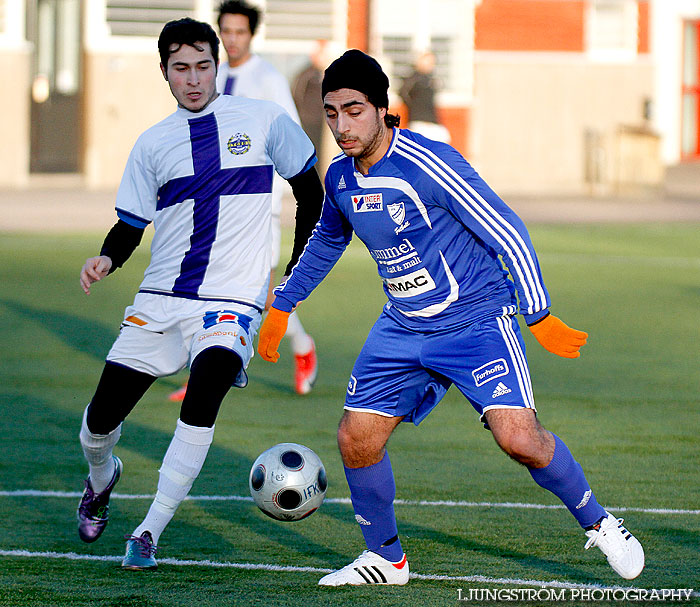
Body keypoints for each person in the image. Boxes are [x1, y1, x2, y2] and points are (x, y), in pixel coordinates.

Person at [257, 50, 644, 586]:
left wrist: (539, 314)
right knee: (356, 438)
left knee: (520, 440)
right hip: (403, 325)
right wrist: (284, 303)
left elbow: (504, 228)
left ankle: (600, 524)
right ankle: (385, 559)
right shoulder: (341, 178)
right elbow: (327, 239)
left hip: (476, 320)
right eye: (331, 113)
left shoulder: (430, 163)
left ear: (381, 108)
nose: (342, 126)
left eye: (353, 110)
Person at [76, 18, 323, 571]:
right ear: (164, 72)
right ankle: (101, 478)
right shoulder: (152, 143)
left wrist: (297, 267)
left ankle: (148, 530)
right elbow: (130, 224)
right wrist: (107, 258)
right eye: (181, 68)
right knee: (98, 425)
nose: (193, 79)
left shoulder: (263, 120)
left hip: (233, 300)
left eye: (203, 66)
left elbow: (311, 190)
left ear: (220, 64)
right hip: (161, 297)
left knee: (206, 387)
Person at [204, 0, 317, 396]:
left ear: (252, 34)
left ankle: (294, 348)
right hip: (216, 202)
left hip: (258, 203)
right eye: (226, 32)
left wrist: (277, 191)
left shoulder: (267, 79)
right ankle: (206, 365)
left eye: (240, 32)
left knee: (258, 288)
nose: (232, 40)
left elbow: (286, 136)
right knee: (213, 281)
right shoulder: (212, 76)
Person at [399, 50, 450, 143]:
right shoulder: (413, 78)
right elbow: (403, 94)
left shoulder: (432, 79)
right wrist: (414, 108)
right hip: (418, 120)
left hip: (432, 121)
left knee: (443, 140)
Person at [292, 40, 328, 156]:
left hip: (319, 120)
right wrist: (299, 113)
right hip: (307, 119)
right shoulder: (307, 73)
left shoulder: (322, 74)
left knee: (317, 151)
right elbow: (297, 93)